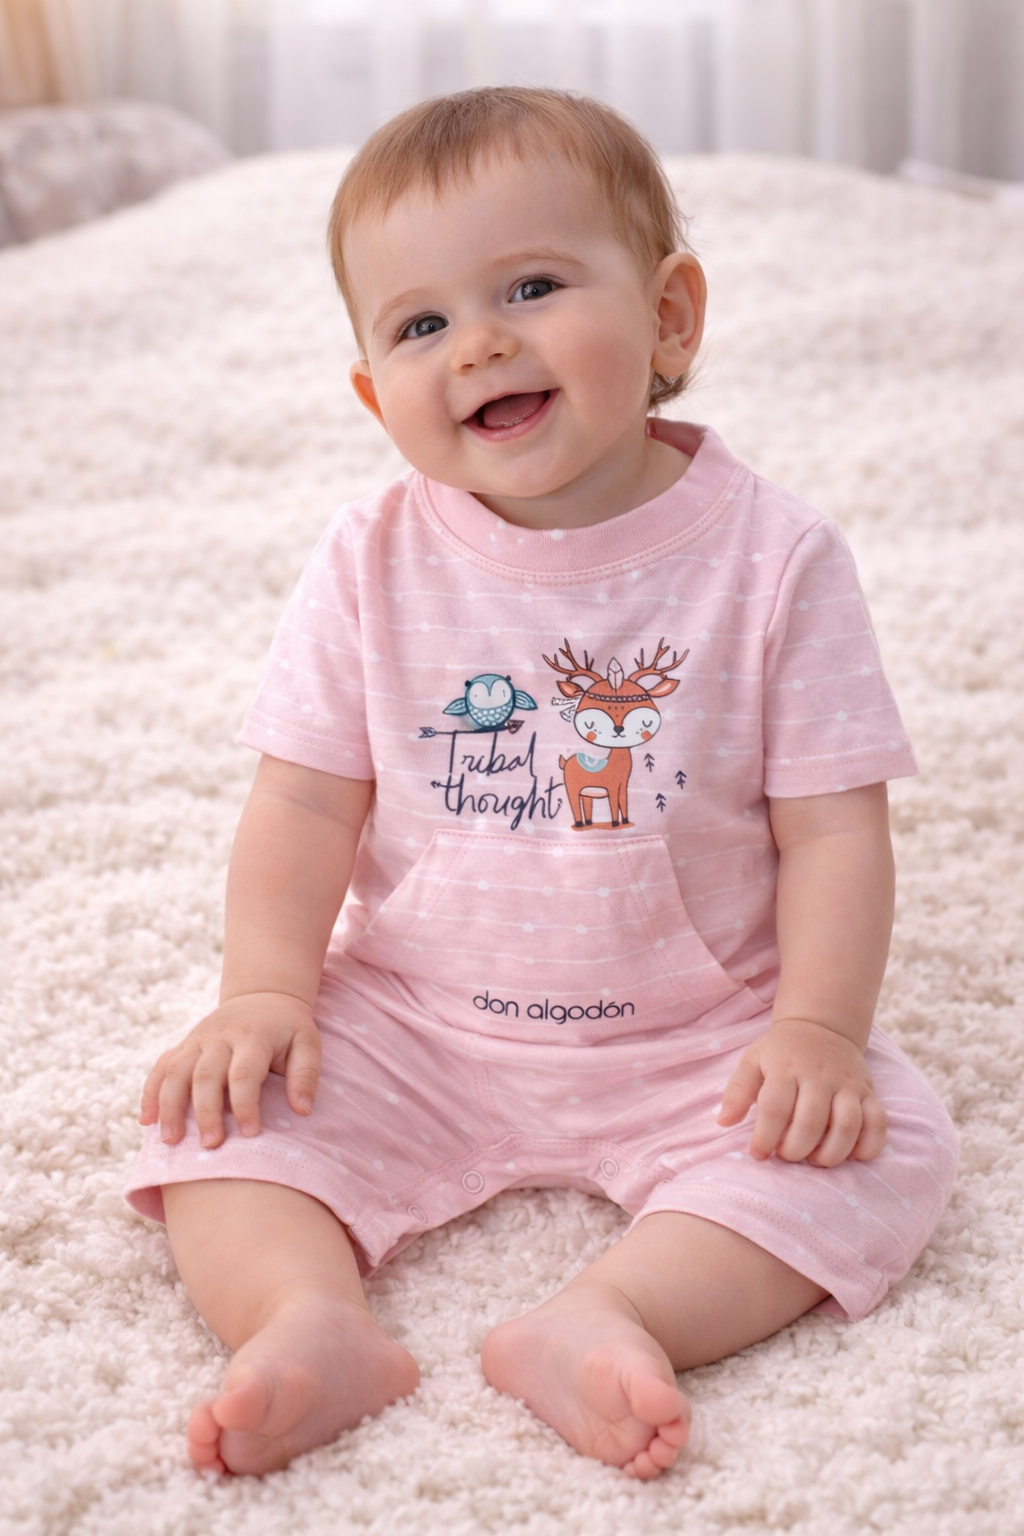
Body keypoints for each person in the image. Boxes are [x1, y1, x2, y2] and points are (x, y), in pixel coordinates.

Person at [125, 86, 957, 1482]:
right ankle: (304, 1317)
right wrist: (264, 991)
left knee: (885, 1144)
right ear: (373, 393)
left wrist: (816, 1027)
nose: (479, 344)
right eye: (420, 324)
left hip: (697, 1029)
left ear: (671, 317)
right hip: (421, 1019)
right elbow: (306, 803)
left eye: (530, 287)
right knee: (214, 1119)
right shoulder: (370, 561)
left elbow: (833, 832)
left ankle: (611, 1313)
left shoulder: (778, 560)